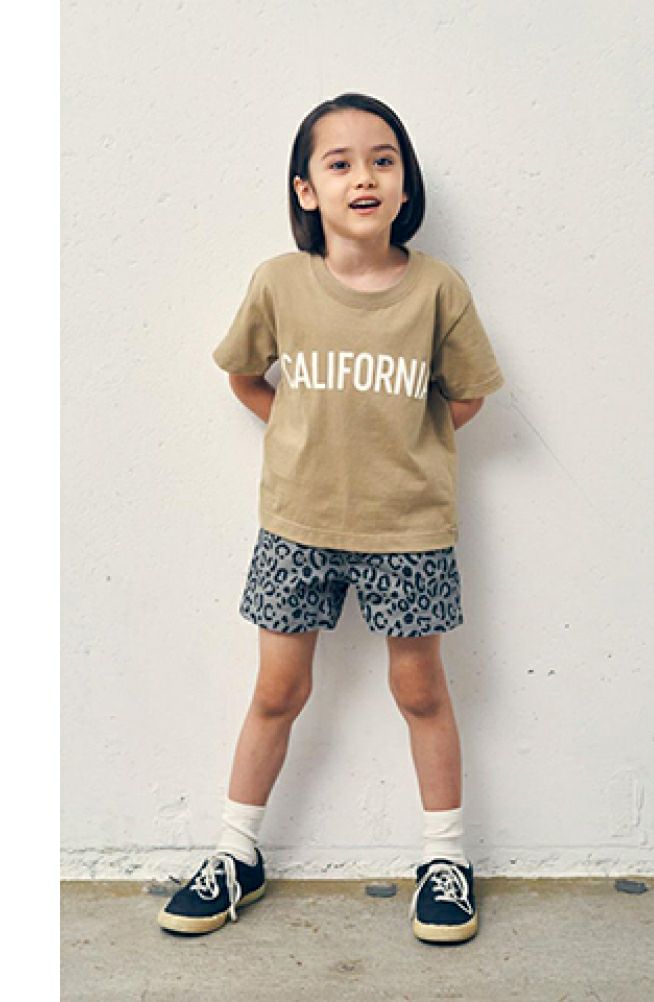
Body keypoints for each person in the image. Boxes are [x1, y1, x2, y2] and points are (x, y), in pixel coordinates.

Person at [158, 92, 504, 945]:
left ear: (405, 184)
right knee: (278, 691)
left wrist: (403, 447)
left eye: (383, 160)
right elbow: (245, 376)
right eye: (340, 162)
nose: (364, 177)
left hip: (408, 532)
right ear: (307, 190)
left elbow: (465, 397)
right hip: (296, 527)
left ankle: (445, 860)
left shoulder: (437, 289)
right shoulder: (280, 283)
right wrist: (302, 430)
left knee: (421, 691)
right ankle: (236, 853)